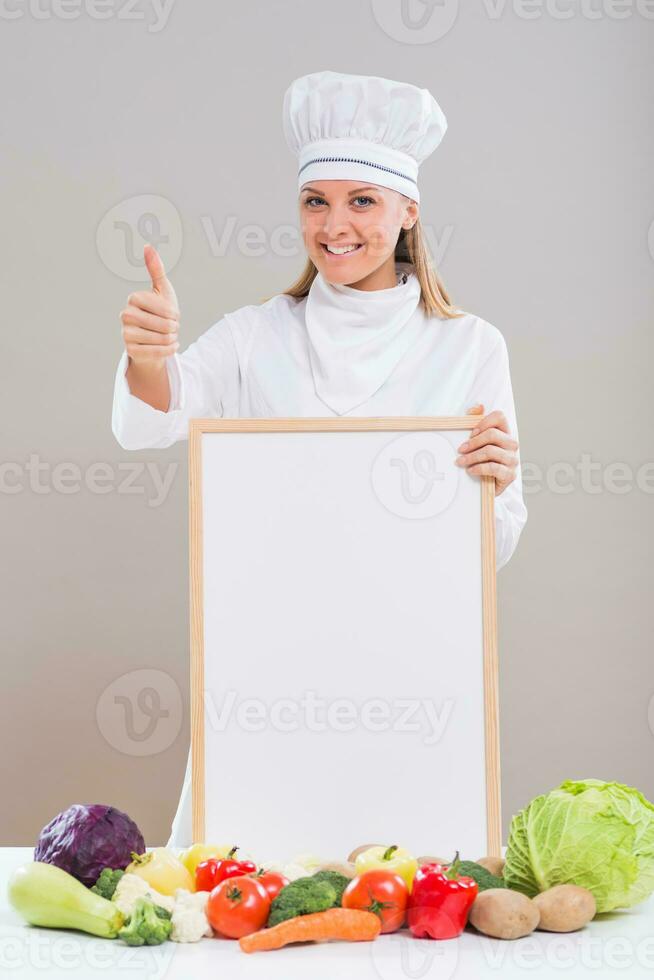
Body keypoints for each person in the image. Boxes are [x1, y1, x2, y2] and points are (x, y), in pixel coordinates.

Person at [111, 70, 527, 848]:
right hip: (266, 685)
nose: (336, 225)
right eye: (316, 201)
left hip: (410, 689)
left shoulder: (470, 346)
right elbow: (152, 419)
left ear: (407, 211)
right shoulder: (255, 335)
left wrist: (492, 485)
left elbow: (494, 544)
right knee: (240, 902)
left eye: (361, 201)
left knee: (405, 922)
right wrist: (148, 354)